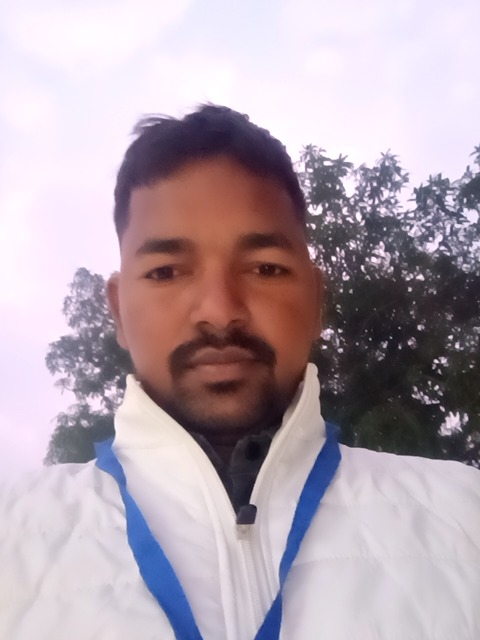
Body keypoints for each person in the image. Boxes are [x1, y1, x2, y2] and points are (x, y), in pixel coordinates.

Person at [1, 105, 479, 640]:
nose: (219, 310)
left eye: (266, 268)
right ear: (116, 311)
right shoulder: (13, 533)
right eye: (166, 271)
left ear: (316, 300)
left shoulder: (463, 516)